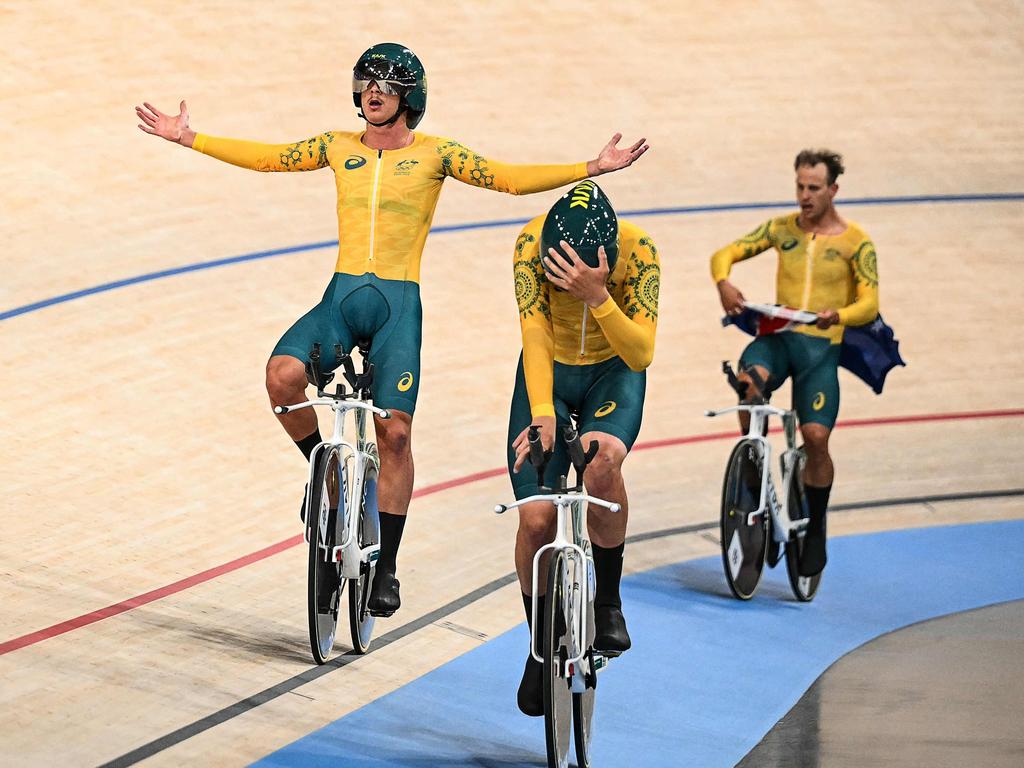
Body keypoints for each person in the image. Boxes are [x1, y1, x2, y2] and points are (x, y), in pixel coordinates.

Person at [135, 43, 648, 617]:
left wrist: (590, 168)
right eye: (365, 82)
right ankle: (322, 476)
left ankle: (388, 566)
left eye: (386, 84)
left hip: (398, 310)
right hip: (342, 300)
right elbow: (268, 158)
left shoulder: (436, 155)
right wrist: (189, 138)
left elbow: (506, 179)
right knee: (281, 378)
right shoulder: (336, 146)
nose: (372, 92)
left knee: (396, 435)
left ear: (410, 97)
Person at [507, 180, 660, 715]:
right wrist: (543, 413)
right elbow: (535, 332)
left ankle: (609, 600)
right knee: (535, 521)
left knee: (601, 464)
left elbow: (640, 353)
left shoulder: (639, 252)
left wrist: (599, 297)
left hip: (611, 373)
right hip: (549, 376)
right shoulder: (529, 245)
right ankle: (537, 643)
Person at [710, 148, 880, 578]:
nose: (804, 196)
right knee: (748, 383)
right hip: (780, 340)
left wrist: (837, 315)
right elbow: (724, 254)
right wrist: (724, 282)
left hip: (820, 351)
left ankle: (817, 524)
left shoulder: (855, 243)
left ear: (833, 190)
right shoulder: (781, 229)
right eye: (800, 187)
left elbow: (870, 303)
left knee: (816, 437)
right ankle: (752, 482)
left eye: (813, 188)